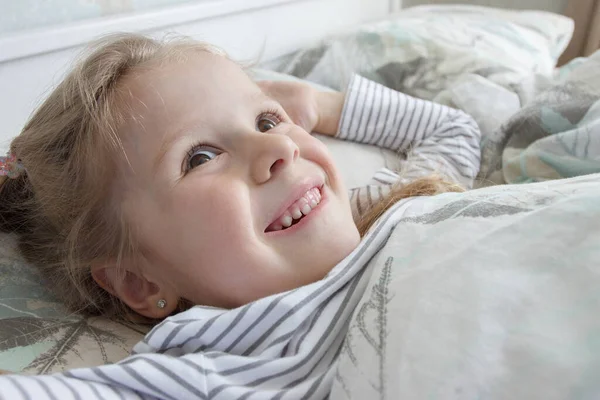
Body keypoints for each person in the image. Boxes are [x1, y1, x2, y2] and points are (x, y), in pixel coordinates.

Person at [0, 33, 480, 399]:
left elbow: (453, 129)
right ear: (140, 283)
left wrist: (321, 105)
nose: (278, 147)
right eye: (200, 157)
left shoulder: (377, 208)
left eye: (267, 121)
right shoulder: (217, 372)